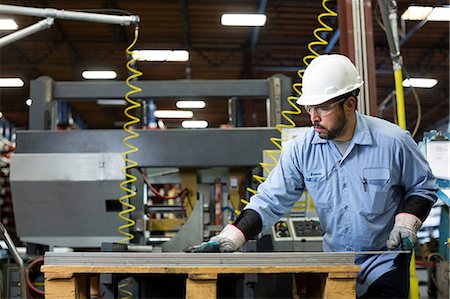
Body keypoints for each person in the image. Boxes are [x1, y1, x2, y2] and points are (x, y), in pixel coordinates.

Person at [186, 54, 438, 298]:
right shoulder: (301, 150)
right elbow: (269, 201)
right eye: (310, 108)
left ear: (350, 104)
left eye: (323, 108)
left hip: (385, 263)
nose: (313, 117)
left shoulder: (393, 142)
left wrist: (406, 224)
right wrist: (231, 236)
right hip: (335, 266)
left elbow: (422, 187)